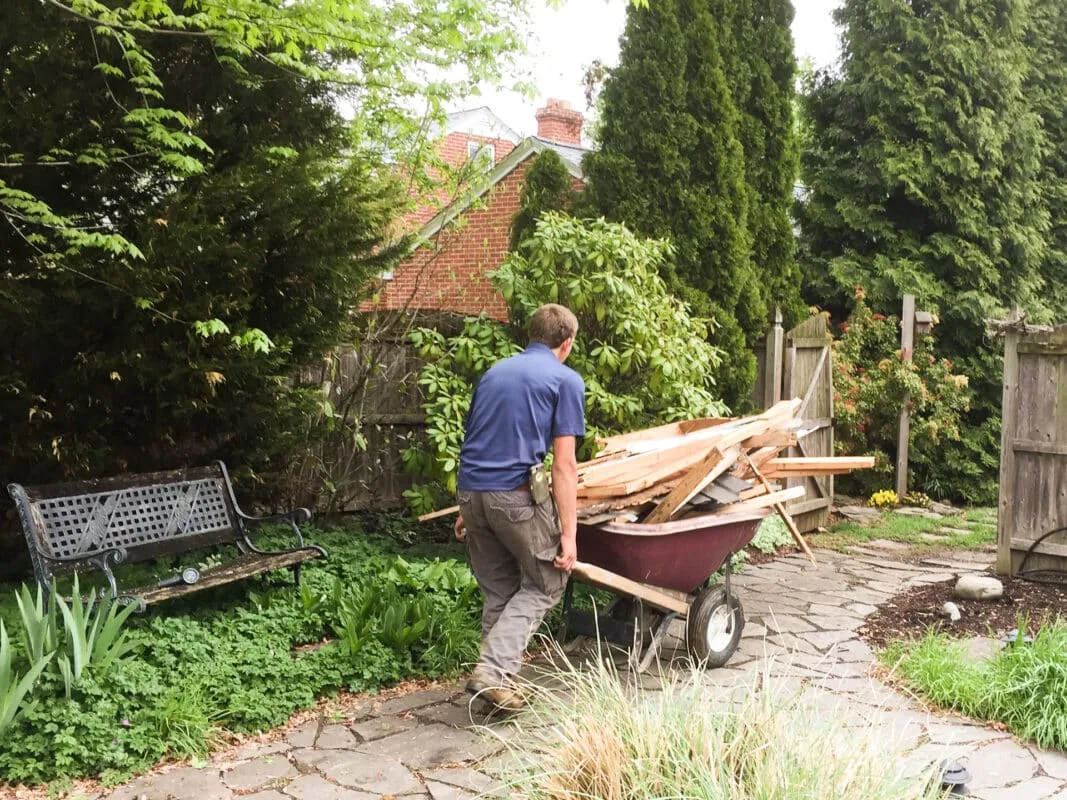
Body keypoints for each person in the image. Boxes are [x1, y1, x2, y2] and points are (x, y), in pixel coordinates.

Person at [453, 303, 585, 711]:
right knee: (547, 581)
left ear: (531, 336)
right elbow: (564, 465)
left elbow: (478, 439)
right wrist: (568, 534)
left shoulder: (494, 373)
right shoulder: (565, 380)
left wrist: (467, 509)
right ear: (566, 343)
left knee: (501, 591)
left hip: (472, 492)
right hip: (512, 496)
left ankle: (495, 689)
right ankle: (493, 672)